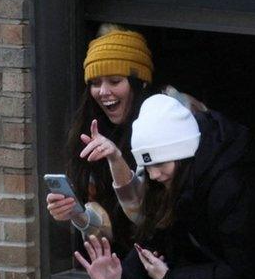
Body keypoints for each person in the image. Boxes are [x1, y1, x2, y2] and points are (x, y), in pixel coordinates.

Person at [75, 94, 255, 279]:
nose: (154, 175)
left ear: (183, 156)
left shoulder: (229, 185)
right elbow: (154, 242)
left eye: (160, 164)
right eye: (147, 167)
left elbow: (246, 271)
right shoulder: (170, 183)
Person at [46, 25, 205, 257]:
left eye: (114, 80)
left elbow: (149, 215)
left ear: (139, 82)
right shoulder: (92, 128)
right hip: (134, 259)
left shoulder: (174, 116)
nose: (103, 91)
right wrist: (77, 215)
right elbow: (109, 230)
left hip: (182, 251)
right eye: (95, 82)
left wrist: (116, 159)